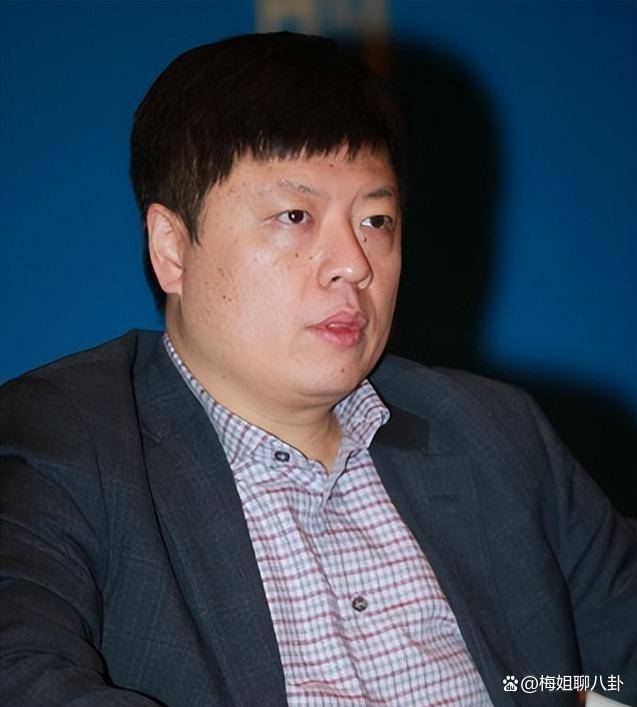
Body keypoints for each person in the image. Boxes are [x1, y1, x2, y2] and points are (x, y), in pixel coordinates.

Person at [0, 32, 635, 707]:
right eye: (295, 216)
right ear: (172, 248)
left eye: (377, 220)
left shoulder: (492, 432)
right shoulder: (68, 445)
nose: (354, 264)